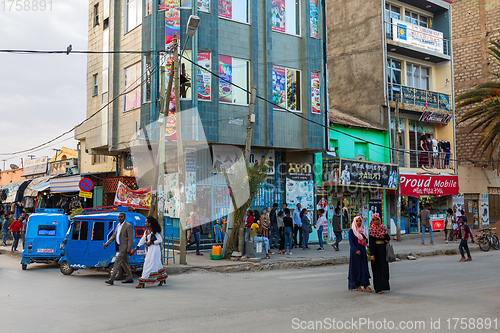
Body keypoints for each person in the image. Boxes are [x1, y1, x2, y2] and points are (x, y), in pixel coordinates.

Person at [130, 216, 168, 288]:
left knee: (147, 264)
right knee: (157, 263)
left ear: (150, 223)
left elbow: (160, 240)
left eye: (146, 222)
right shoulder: (146, 231)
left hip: (154, 250)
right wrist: (135, 249)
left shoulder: (154, 232)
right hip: (148, 250)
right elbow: (142, 240)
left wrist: (151, 242)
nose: (145, 223)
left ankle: (142, 282)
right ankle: (162, 278)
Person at [103, 212, 134, 285]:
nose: (120, 218)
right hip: (120, 247)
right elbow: (114, 236)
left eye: (121, 217)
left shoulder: (128, 226)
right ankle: (130, 278)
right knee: (125, 263)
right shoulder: (118, 225)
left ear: (124, 217)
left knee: (117, 263)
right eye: (119, 217)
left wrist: (129, 249)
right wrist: (107, 243)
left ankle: (111, 279)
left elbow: (130, 238)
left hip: (124, 248)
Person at [348, 216, 372, 292]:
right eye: (357, 221)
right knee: (356, 269)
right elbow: (351, 243)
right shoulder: (351, 231)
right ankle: (357, 285)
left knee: (364, 268)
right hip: (355, 253)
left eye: (360, 221)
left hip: (362, 251)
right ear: (354, 222)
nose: (359, 222)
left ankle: (365, 285)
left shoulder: (362, 231)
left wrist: (365, 241)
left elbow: (366, 240)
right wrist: (356, 250)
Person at [368, 213, 390, 294]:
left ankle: (384, 286)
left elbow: (387, 237)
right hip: (375, 251)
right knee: (377, 269)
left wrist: (385, 238)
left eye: (377, 219)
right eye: (374, 220)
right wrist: (372, 254)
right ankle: (378, 288)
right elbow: (371, 243)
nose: (376, 221)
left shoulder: (382, 228)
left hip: (383, 250)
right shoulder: (371, 230)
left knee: (383, 268)